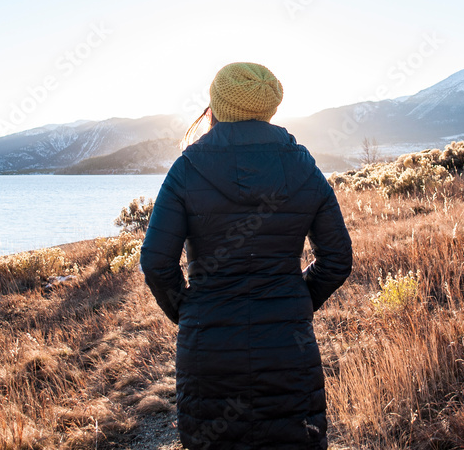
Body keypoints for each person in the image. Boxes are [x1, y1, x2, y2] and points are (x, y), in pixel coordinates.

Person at [140, 61, 353, 450]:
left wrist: (188, 310)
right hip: (288, 346)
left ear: (217, 107)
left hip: (209, 349)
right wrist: (297, 298)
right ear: (269, 108)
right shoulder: (303, 166)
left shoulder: (187, 168)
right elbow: (337, 258)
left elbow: (156, 261)